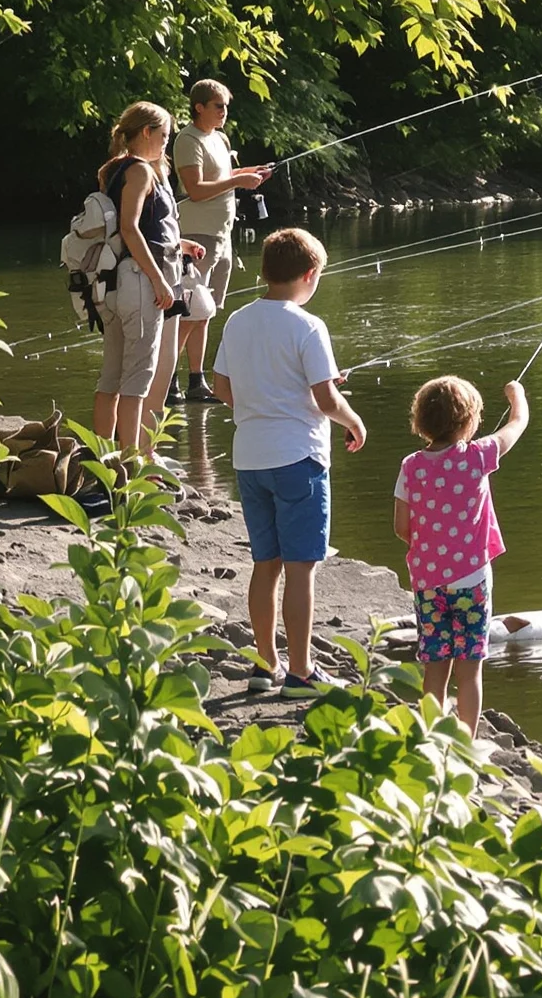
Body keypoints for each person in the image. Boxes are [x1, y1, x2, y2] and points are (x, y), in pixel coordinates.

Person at [211, 228, 366, 698]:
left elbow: (220, 385)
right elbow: (324, 398)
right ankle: (300, 672)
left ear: (264, 273)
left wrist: (259, 403)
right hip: (299, 458)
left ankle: (265, 665)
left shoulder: (237, 319)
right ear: (310, 275)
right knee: (301, 568)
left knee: (266, 563)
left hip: (250, 459)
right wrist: (354, 420)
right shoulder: (308, 326)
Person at [394, 374, 530, 735]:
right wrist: (516, 395)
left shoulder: (411, 466)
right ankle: (465, 743)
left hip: (428, 585)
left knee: (435, 668)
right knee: (470, 669)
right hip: (472, 581)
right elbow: (517, 425)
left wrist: (427, 546)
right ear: (469, 421)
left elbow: (401, 527)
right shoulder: (479, 455)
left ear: (421, 422)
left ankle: (430, 738)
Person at [91, 101, 205, 458]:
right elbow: (129, 228)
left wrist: (178, 244)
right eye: (165, 135)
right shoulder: (140, 171)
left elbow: (133, 229)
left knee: (110, 377)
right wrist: (159, 280)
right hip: (140, 283)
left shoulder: (112, 169)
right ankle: (133, 462)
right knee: (138, 380)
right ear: (146, 132)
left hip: (114, 284)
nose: (166, 143)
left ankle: (103, 457)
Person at [171, 79, 273, 404]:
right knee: (189, 312)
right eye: (218, 106)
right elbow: (196, 189)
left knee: (206, 312)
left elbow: (223, 178)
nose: (224, 112)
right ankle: (168, 381)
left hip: (222, 234)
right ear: (199, 107)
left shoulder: (220, 138)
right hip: (195, 235)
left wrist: (250, 172)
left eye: (226, 106)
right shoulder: (188, 140)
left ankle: (196, 381)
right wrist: (239, 180)